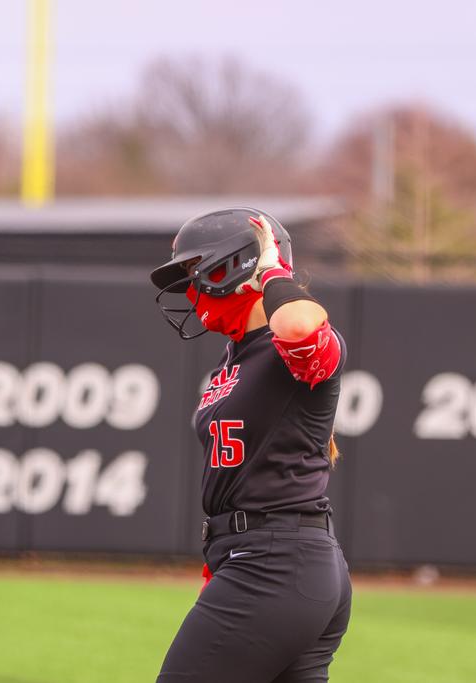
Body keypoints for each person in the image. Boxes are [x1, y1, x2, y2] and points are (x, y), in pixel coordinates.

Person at [151, 207, 352, 682]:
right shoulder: (236, 354)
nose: (193, 290)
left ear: (235, 266)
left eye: (197, 272)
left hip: (276, 563)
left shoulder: (286, 339)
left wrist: (272, 275)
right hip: (267, 558)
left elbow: (301, 329)